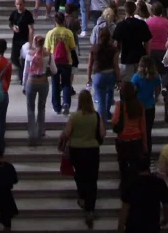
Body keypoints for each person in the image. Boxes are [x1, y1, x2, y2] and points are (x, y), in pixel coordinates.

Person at [59, 90, 105, 230]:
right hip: (92, 150)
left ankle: (82, 197)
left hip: (77, 150)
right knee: (92, 179)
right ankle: (90, 209)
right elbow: (102, 133)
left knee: (79, 175)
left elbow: (66, 133)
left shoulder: (75, 116)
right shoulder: (96, 116)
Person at [117, 154, 168, 233]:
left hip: (133, 226)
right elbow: (166, 205)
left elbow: (125, 208)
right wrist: (166, 219)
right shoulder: (159, 183)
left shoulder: (131, 183)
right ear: (149, 167)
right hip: (152, 225)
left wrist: (120, 227)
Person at [23, 35, 56, 146]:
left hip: (31, 81)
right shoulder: (48, 55)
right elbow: (54, 70)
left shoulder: (29, 54)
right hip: (43, 81)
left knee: (30, 108)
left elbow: (25, 72)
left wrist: (24, 85)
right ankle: (40, 132)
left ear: (34, 43)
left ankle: (31, 134)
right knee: (41, 108)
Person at [111, 81, 147, 183]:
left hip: (123, 140)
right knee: (135, 167)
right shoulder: (140, 105)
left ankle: (124, 188)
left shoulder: (120, 105)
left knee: (123, 166)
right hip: (136, 140)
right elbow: (143, 126)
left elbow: (114, 121)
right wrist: (144, 144)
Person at [44, 11, 76, 115]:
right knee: (66, 83)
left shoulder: (50, 33)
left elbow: (47, 49)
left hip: (54, 61)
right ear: (64, 20)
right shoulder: (69, 33)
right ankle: (66, 103)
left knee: (55, 84)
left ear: (55, 20)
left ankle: (56, 107)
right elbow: (72, 47)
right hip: (67, 61)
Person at [87, 26, 121, 122]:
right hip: (110, 75)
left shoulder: (94, 48)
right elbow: (116, 65)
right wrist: (119, 80)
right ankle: (107, 112)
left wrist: (88, 77)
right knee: (109, 93)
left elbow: (90, 65)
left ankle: (102, 123)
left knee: (101, 100)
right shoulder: (113, 49)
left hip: (99, 75)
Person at [112, 0, 152, 80]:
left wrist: (115, 62)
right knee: (140, 81)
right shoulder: (142, 24)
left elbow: (117, 44)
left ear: (125, 11)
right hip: (140, 56)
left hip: (126, 57)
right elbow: (147, 42)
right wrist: (147, 56)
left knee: (127, 83)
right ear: (135, 10)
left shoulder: (121, 25)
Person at [131, 56, 161, 158]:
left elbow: (133, 91)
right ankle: (147, 154)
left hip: (139, 106)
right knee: (148, 132)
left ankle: (138, 154)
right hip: (150, 106)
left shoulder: (136, 77)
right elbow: (158, 90)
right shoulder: (156, 76)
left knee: (138, 131)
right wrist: (155, 98)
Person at [8, 0, 34, 82]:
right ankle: (22, 71)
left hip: (25, 39)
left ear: (24, 4)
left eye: (21, 4)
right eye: (17, 4)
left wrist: (30, 42)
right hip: (16, 39)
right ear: (15, 4)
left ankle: (22, 76)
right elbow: (10, 24)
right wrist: (13, 28)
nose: (19, 6)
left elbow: (31, 28)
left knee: (24, 58)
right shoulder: (14, 13)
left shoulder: (28, 14)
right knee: (14, 58)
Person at [146, 1, 168, 75]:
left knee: (152, 71)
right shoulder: (166, 22)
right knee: (164, 71)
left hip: (151, 49)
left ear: (152, 11)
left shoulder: (148, 21)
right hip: (163, 48)